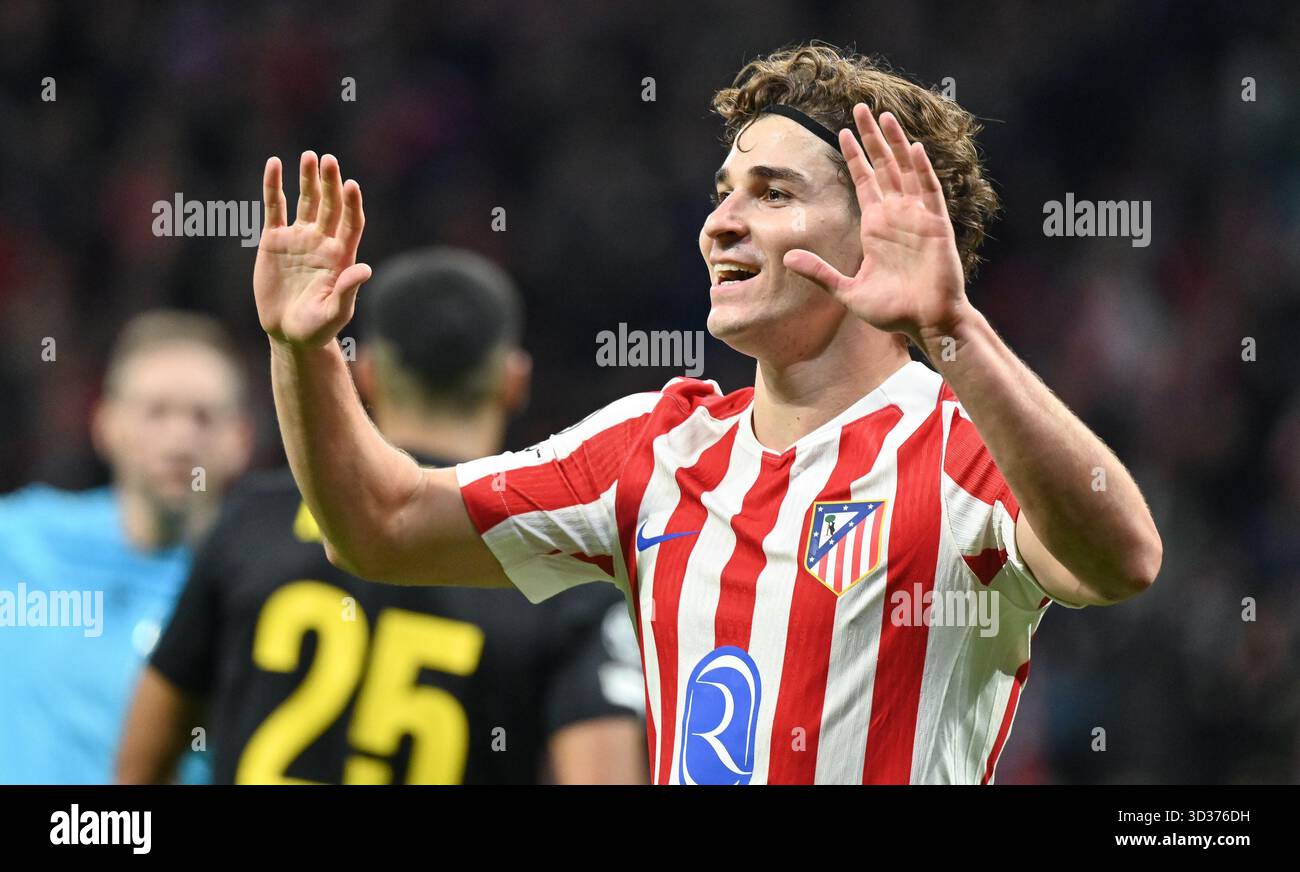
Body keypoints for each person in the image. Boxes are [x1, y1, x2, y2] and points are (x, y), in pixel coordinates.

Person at [249, 42, 1163, 784]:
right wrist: (303, 350)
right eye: (725, 190)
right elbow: (380, 523)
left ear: (882, 229)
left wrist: (953, 329)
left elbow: (1124, 558)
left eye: (772, 194)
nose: (720, 222)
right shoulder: (660, 445)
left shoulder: (962, 446)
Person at [118, 249, 646, 785]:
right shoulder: (560, 566)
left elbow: (141, 767)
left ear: (364, 373)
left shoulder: (251, 522)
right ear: (513, 381)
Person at [0, 311, 253, 783]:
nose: (180, 440)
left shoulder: (252, 594)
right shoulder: (18, 541)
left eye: (203, 416)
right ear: (107, 423)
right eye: (155, 411)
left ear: (241, 439)